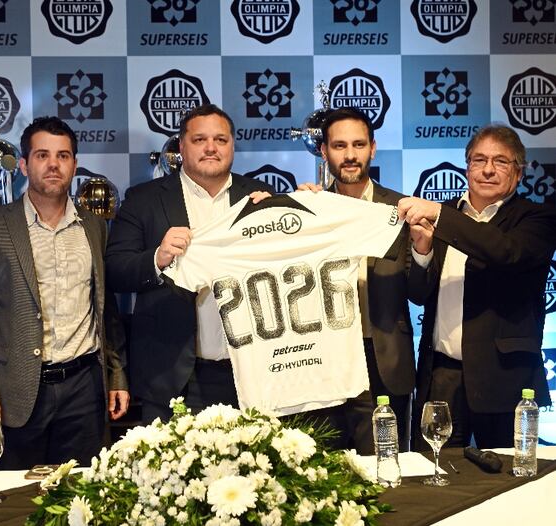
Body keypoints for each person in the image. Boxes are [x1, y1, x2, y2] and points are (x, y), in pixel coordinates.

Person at [0, 116, 129, 469]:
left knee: (82, 499)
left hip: (85, 388)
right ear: (23, 164)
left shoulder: (94, 226)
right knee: (16, 503)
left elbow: (104, 308)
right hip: (18, 390)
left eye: (63, 156)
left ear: (74, 164)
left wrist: (116, 375)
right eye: (42, 155)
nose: (53, 164)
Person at [105, 104, 273, 423]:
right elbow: (114, 271)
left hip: (249, 374)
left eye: (220, 140)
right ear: (181, 147)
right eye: (200, 140)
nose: (211, 147)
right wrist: (158, 257)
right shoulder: (144, 199)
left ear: (232, 145)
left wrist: (286, 216)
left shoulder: (259, 198)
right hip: (173, 378)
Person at [398, 124, 556, 449]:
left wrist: (440, 215)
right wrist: (423, 251)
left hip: (505, 378)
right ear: (467, 166)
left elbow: (504, 252)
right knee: (435, 475)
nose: (487, 169)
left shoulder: (537, 218)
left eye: (500, 161)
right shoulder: (444, 219)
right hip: (441, 374)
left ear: (519, 172)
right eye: (478, 159)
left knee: (509, 483)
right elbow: (417, 292)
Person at [293, 108, 415, 454]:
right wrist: (282, 208)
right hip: (322, 362)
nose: (349, 155)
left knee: (387, 477)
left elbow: (420, 291)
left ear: (372, 149)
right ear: (324, 151)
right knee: (323, 477)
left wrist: (421, 249)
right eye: (339, 145)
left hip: (383, 363)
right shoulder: (307, 209)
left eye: (359, 145)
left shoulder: (401, 209)